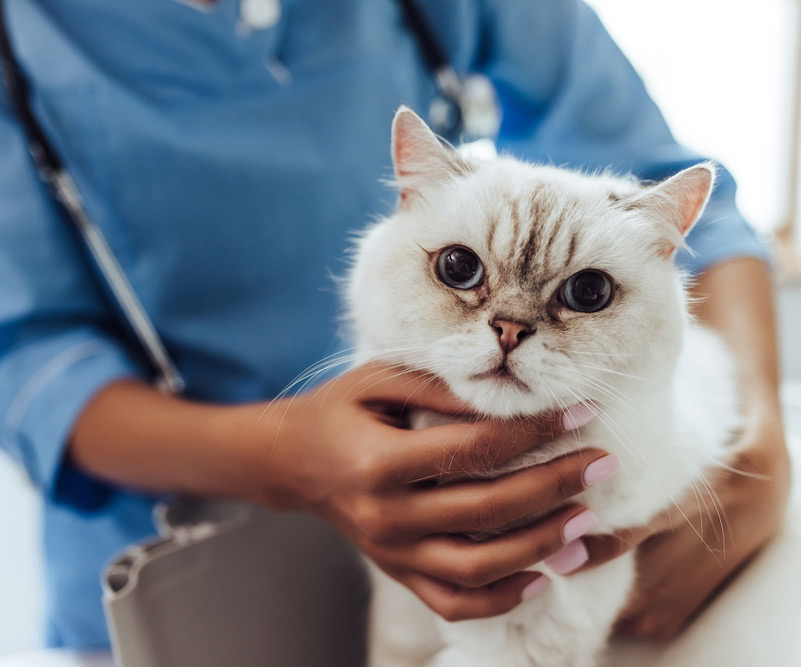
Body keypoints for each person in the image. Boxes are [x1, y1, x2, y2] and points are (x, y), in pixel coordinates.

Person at [0, 0, 789, 651]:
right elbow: (28, 356)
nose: (510, 326)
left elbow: (674, 193)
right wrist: (286, 456)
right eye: (460, 272)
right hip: (184, 551)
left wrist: (759, 436)